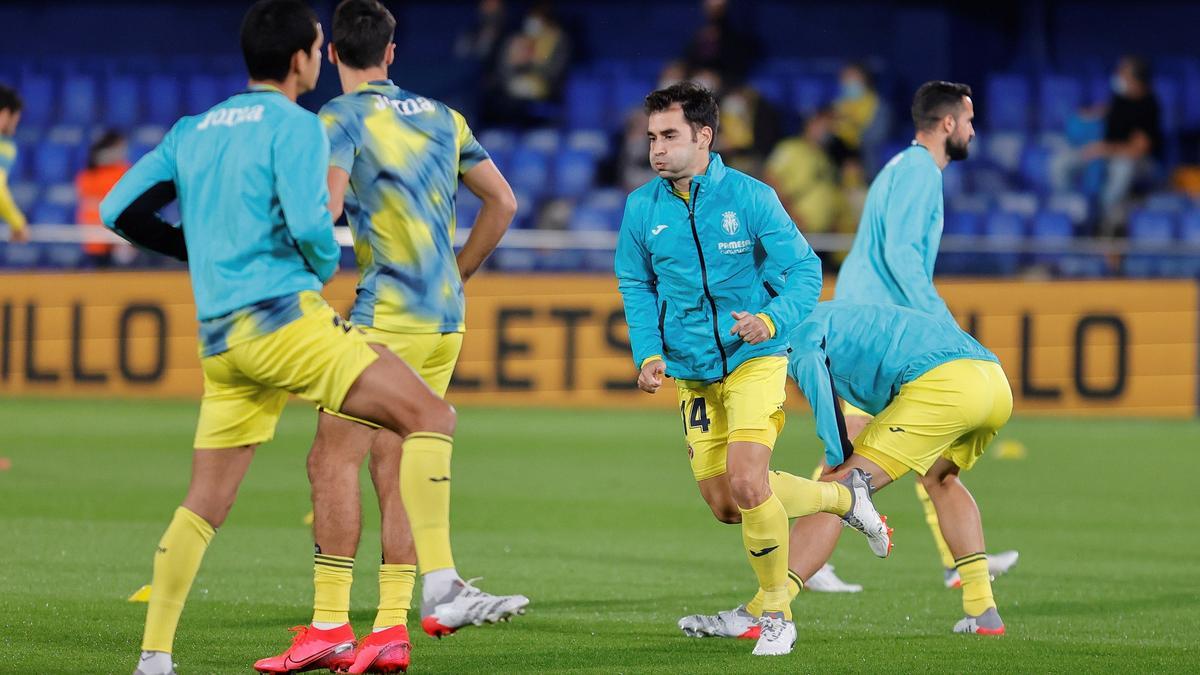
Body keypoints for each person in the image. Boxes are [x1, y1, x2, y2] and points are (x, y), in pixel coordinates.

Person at [100, 3, 458, 673]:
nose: (321, 56)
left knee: (204, 502)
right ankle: (440, 585)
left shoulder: (193, 128)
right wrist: (321, 266)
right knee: (429, 414)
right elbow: (312, 227)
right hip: (286, 324)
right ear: (301, 60)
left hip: (222, 339)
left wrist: (195, 249)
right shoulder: (298, 125)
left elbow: (116, 209)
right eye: (317, 47)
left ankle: (154, 655)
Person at [254, 2, 522, 673]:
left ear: (333, 55)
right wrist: (459, 274)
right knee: (398, 461)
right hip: (444, 321)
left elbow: (330, 207)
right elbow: (504, 202)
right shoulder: (442, 117)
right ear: (392, 53)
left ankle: (327, 625)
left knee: (330, 459)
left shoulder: (339, 119)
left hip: (387, 316)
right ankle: (390, 629)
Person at [614, 81, 891, 657]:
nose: (656, 149)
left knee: (747, 478)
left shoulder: (752, 198)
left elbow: (805, 272)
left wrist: (770, 320)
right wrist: (648, 352)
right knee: (727, 504)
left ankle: (775, 616)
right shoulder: (641, 209)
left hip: (754, 359)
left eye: (669, 136)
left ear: (704, 137)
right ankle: (844, 500)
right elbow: (636, 285)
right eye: (651, 138)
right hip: (692, 372)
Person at [816, 80, 1018, 592]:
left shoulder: (903, 168)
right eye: (969, 120)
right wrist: (941, 325)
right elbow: (903, 256)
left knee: (922, 444)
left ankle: (957, 561)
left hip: (870, 321)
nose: (974, 130)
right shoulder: (920, 172)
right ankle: (805, 559)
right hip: (873, 329)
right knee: (853, 444)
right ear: (948, 123)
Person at [786, 300, 1013, 635]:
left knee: (836, 487)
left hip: (943, 385)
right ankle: (983, 611)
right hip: (993, 381)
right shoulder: (839, 314)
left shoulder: (795, 337)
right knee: (940, 478)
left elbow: (831, 418)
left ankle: (768, 607)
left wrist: (839, 460)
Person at [1051, 55, 1163, 236]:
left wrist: (1103, 149)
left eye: (1124, 74)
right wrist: (1092, 114)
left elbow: (1138, 149)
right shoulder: (1119, 96)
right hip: (1104, 151)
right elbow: (1113, 114)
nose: (1118, 76)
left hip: (1134, 159)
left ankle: (1103, 221)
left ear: (1136, 80)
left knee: (1122, 169)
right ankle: (1071, 215)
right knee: (1061, 163)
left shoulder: (1149, 105)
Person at [75, 130, 131, 267]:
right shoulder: (87, 176)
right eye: (118, 147)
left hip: (121, 237)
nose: (121, 151)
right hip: (96, 237)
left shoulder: (124, 171)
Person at [0, 84, 29, 244]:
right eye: (16, 119)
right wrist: (18, 222)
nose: (15, 126)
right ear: (4, 114)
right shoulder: (4, 147)